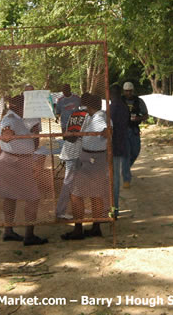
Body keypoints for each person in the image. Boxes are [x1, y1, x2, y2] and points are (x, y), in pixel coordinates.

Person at [0, 95, 48, 246]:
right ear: (19, 107)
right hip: (17, 162)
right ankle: (29, 235)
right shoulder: (10, 119)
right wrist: (7, 134)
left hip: (12, 160)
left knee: (9, 197)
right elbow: (7, 131)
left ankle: (8, 230)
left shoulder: (16, 118)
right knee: (33, 197)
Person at [61, 93, 110, 240]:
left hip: (93, 159)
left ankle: (78, 230)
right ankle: (96, 227)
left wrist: (106, 135)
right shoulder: (94, 116)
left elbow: (106, 130)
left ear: (88, 105)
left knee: (76, 194)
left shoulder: (99, 118)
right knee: (96, 195)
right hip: (94, 158)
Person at [55, 103, 88, 219]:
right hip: (75, 151)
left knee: (78, 182)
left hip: (70, 150)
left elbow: (68, 131)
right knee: (68, 183)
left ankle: (80, 206)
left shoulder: (74, 114)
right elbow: (76, 136)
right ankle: (60, 211)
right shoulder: (87, 116)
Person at [109, 84, 130, 218]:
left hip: (111, 146)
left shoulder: (110, 109)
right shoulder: (124, 107)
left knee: (112, 180)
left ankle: (113, 210)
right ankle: (114, 209)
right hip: (121, 145)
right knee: (115, 178)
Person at [122, 81, 148, 188]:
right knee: (126, 154)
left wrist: (139, 118)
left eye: (130, 91)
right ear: (124, 91)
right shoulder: (120, 101)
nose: (128, 93)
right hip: (123, 131)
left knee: (135, 151)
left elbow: (146, 115)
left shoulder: (139, 101)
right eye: (126, 91)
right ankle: (126, 179)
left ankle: (125, 168)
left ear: (133, 91)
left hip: (134, 130)